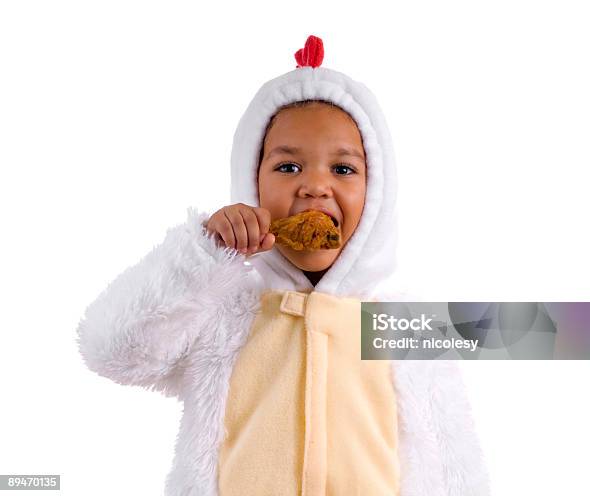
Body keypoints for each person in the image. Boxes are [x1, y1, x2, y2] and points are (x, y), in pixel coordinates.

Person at [76, 35, 490, 495]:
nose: (315, 186)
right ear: (252, 184)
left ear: (377, 195)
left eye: (344, 169)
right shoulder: (224, 314)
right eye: (289, 168)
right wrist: (204, 255)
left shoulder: (404, 328)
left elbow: (458, 466)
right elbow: (112, 350)